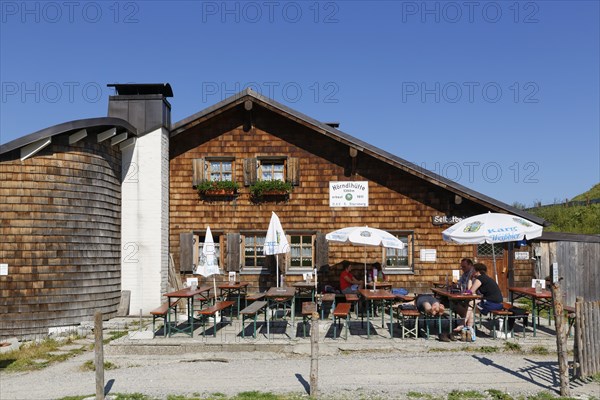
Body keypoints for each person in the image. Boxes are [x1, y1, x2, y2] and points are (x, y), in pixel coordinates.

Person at [458, 263, 504, 339]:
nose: (471, 272)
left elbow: (471, 291)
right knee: (471, 306)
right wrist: (470, 279)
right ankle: (469, 329)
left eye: (473, 270)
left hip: (493, 303)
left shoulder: (480, 278)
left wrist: (470, 279)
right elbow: (471, 291)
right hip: (493, 302)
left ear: (477, 271)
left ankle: (463, 324)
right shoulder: (484, 278)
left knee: (471, 303)